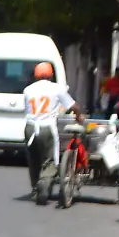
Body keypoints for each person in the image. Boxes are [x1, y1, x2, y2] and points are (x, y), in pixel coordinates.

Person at [22, 61, 80, 203]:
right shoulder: (57, 89)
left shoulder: (28, 90)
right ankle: (44, 182)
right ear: (51, 75)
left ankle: (35, 188)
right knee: (50, 161)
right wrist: (79, 117)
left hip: (30, 128)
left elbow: (27, 110)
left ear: (35, 76)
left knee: (34, 160)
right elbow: (73, 106)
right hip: (47, 128)